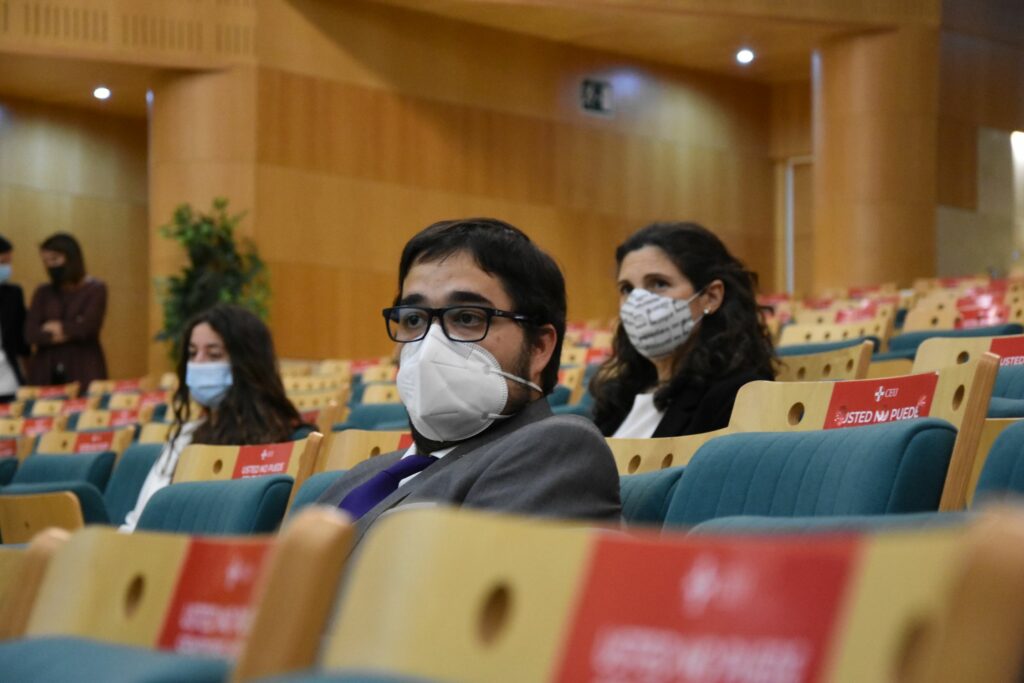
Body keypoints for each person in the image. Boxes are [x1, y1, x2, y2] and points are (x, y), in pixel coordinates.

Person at [316, 218, 621, 541]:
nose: (430, 344)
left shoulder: (557, 451)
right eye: (414, 319)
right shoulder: (362, 476)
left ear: (539, 347)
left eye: (467, 318)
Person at [121, 304, 310, 531]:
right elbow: (140, 520)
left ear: (247, 363)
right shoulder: (186, 434)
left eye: (214, 354)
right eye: (192, 353)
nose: (198, 363)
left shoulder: (290, 440)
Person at [590, 222, 776, 438]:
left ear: (711, 297)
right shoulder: (618, 398)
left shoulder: (737, 395)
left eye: (659, 283)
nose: (637, 301)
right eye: (627, 289)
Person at [25, 233, 107, 387]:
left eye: (55, 259)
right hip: (46, 371)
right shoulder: (43, 292)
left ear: (71, 258)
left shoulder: (95, 289)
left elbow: (87, 328)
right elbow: (31, 333)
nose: (50, 266)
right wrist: (71, 328)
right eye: (46, 261)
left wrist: (54, 327)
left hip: (83, 369)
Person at [0, 236, 29, 401]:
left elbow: (22, 341)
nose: (6, 268)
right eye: (2, 262)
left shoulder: (13, 294)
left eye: (8, 263)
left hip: (8, 382)